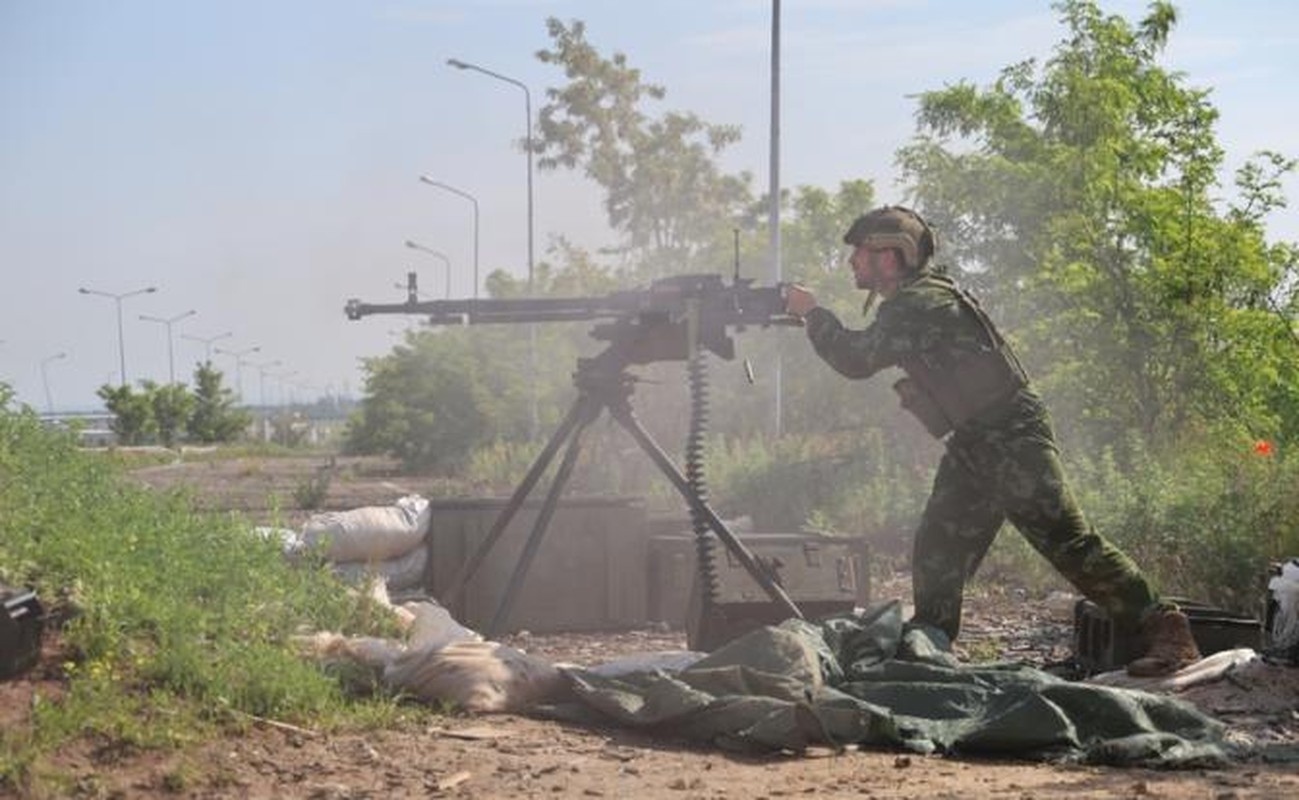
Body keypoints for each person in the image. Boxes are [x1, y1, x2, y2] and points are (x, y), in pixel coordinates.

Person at [783, 205, 1201, 677]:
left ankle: (1167, 629)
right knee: (939, 543)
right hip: (978, 439)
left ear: (890, 256)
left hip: (1010, 433)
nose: (852, 261)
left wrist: (811, 313)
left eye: (861, 251)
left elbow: (856, 359)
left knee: (1066, 539)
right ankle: (930, 643)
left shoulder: (918, 303)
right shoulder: (916, 300)